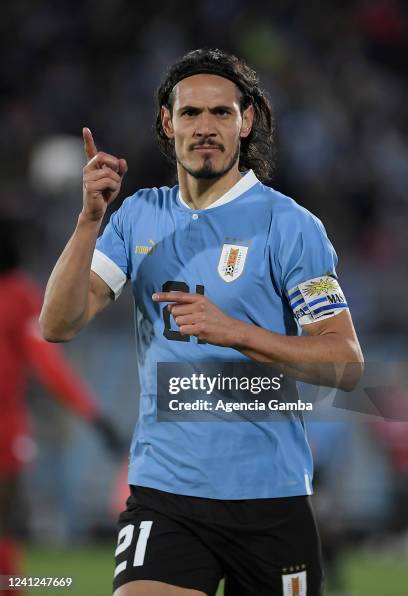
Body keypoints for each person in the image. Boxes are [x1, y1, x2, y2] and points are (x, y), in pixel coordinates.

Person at [40, 48, 364, 596]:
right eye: (191, 113)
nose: (205, 127)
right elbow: (58, 323)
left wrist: (235, 331)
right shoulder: (138, 216)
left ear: (247, 121)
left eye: (221, 113)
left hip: (271, 495)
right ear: (169, 123)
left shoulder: (291, 227)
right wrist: (89, 221)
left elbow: (347, 364)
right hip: (166, 495)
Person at [0, 217, 123, 596]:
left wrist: (92, 414)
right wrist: (94, 416)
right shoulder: (17, 292)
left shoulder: (17, 294)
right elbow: (46, 362)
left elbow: (46, 363)